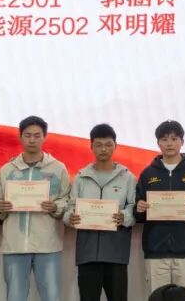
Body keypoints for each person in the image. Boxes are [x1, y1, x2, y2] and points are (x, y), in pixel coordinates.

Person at [0, 115, 71, 301]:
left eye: (37, 135)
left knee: (51, 296)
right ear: (20, 137)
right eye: (27, 135)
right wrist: (0, 207)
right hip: (15, 245)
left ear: (45, 137)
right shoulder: (7, 169)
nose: (32, 140)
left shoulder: (58, 168)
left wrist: (56, 206)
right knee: (15, 297)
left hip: (48, 244)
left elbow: (66, 199)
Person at [136, 119, 185, 295]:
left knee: (184, 297)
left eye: (174, 139)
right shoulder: (148, 173)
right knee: (157, 297)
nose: (169, 143)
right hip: (155, 250)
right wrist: (139, 207)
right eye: (164, 139)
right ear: (158, 143)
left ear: (182, 141)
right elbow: (137, 206)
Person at [65, 123, 137, 301]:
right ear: (91, 146)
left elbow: (133, 207)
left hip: (116, 252)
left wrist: (124, 217)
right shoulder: (81, 177)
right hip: (87, 253)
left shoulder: (127, 177)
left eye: (108, 144)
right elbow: (70, 207)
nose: (103, 149)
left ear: (115, 146)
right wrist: (69, 217)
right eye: (98, 145)